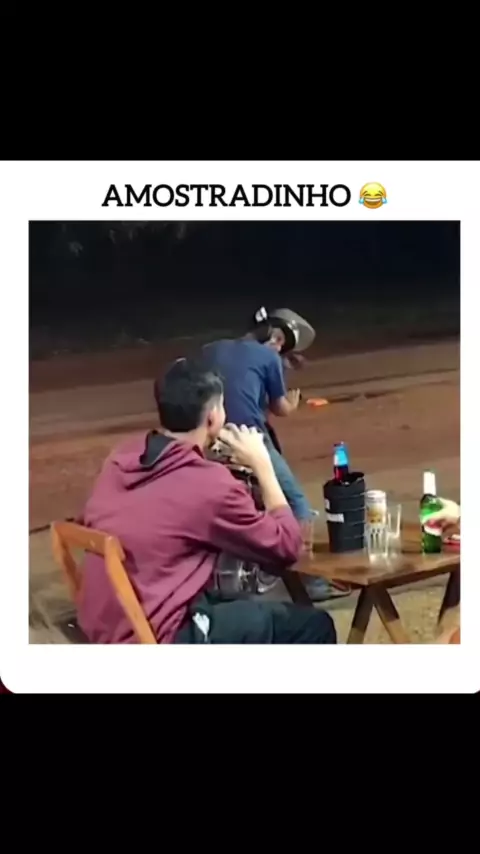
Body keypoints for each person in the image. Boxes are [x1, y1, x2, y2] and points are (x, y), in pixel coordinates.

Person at [77, 360, 336, 645]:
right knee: (314, 625)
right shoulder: (208, 483)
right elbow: (286, 546)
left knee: (236, 604)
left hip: (111, 624)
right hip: (160, 633)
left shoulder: (121, 458)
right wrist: (263, 465)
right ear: (213, 417)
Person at [200, 307, 347, 602]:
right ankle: (311, 584)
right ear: (277, 338)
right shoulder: (268, 358)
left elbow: (239, 384)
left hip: (210, 438)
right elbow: (279, 408)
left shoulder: (211, 350)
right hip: (249, 439)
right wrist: (293, 401)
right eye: (282, 345)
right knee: (297, 504)